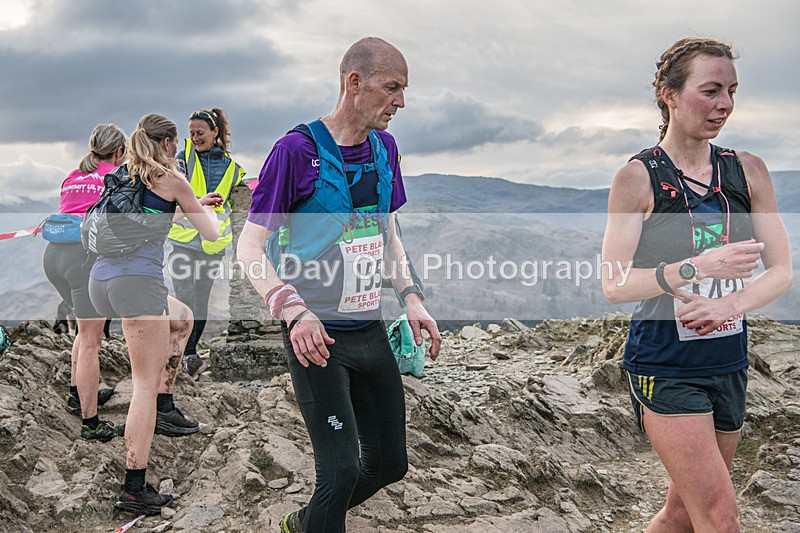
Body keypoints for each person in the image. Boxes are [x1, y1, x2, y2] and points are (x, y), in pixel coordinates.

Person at [237, 37, 442, 532]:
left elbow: (388, 234)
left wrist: (411, 297)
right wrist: (292, 310)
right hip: (317, 337)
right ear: (355, 83)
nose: (401, 101)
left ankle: (303, 524)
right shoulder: (295, 150)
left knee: (391, 464)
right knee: (341, 470)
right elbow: (249, 248)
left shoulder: (384, 149)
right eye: (392, 87)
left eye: (403, 89)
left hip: (368, 328)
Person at [601, 37, 792, 532]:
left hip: (728, 362)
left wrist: (728, 303)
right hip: (665, 367)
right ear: (668, 94)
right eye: (710, 90)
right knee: (720, 518)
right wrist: (696, 267)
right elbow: (614, 285)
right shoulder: (638, 178)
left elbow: (781, 271)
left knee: (682, 514)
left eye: (731, 91)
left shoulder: (747, 171)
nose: (724, 104)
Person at [87, 114, 222, 514]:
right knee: (142, 384)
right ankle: (134, 488)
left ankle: (164, 406)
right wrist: (203, 209)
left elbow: (148, 220)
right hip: (136, 286)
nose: (178, 149)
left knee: (181, 319)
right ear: (166, 144)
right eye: (176, 143)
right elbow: (211, 234)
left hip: (101, 284)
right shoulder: (171, 179)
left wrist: (191, 206)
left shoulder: (125, 175)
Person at [42, 123, 127, 442]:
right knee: (92, 341)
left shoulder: (72, 176)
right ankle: (91, 422)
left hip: (53, 257)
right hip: (82, 259)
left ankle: (77, 394)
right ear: (119, 152)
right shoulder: (115, 178)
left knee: (83, 331)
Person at [168, 108, 245, 380]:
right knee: (183, 297)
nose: (195, 137)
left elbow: (242, 201)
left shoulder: (233, 169)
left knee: (200, 300)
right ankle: (176, 351)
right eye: (191, 133)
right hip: (184, 240)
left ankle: (189, 353)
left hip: (212, 245)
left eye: (200, 132)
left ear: (215, 133)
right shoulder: (183, 158)